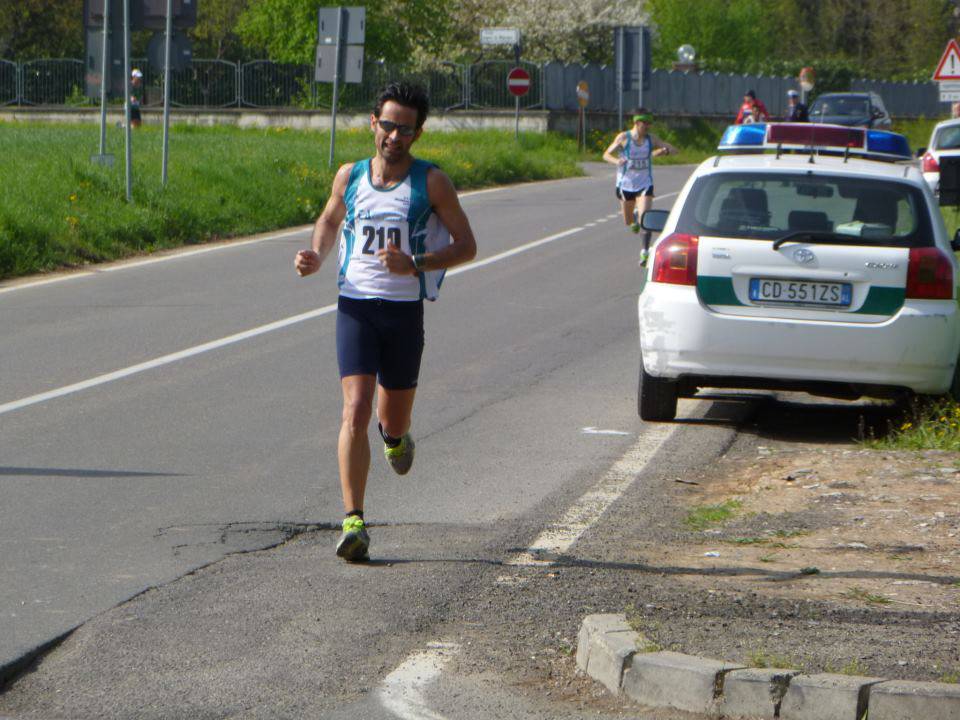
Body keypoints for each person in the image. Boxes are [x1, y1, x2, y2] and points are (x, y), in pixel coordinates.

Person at [294, 81, 477, 563]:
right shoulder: (349, 176)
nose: (395, 137)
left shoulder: (431, 182)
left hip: (402, 312)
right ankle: (353, 521)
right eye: (389, 125)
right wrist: (316, 253)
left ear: (417, 134)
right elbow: (331, 220)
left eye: (406, 129)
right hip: (355, 305)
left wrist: (414, 262)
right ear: (373, 123)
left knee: (391, 417)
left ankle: (395, 438)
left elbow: (467, 246)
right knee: (354, 408)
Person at [602, 109, 678, 267]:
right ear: (636, 123)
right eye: (645, 123)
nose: (648, 126)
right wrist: (617, 162)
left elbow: (673, 149)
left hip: (645, 184)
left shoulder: (651, 139)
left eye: (650, 123)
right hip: (626, 184)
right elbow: (606, 154)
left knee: (646, 218)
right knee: (628, 221)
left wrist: (666, 150)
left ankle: (644, 251)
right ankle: (634, 218)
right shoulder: (624, 138)